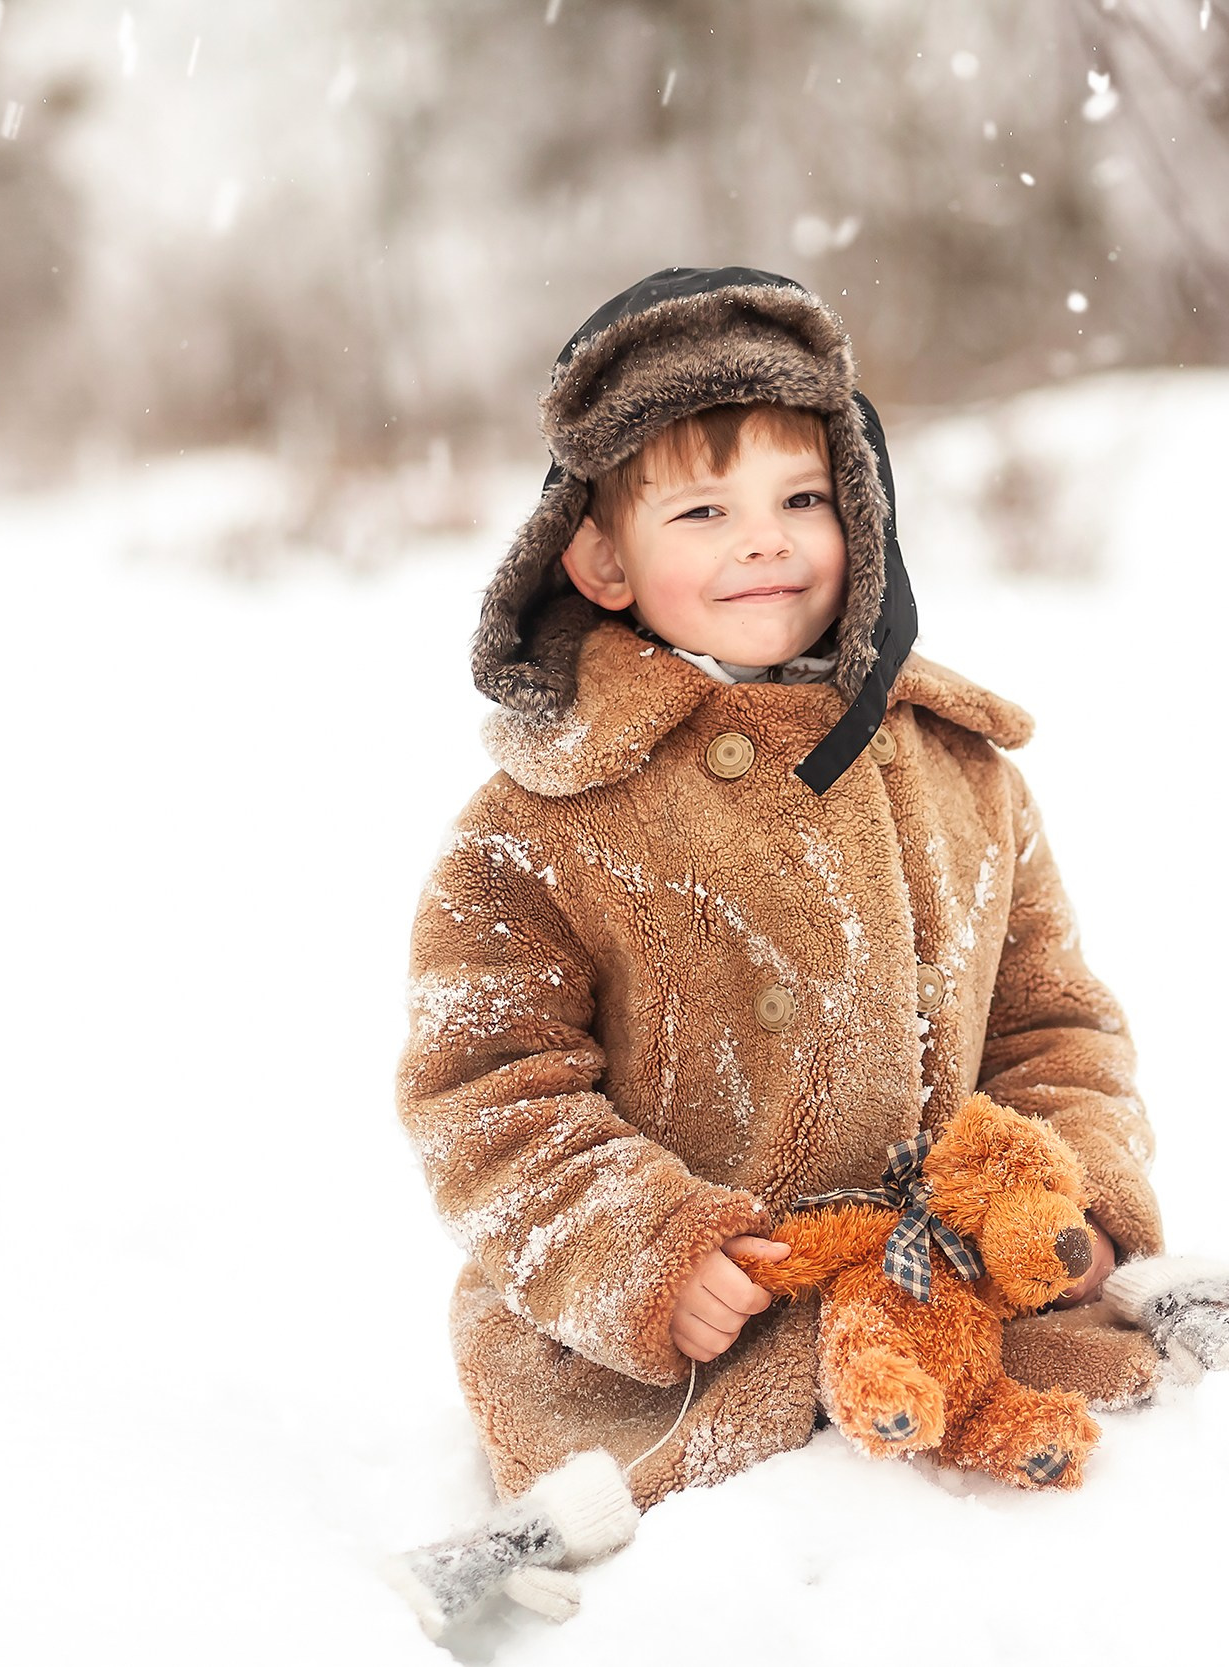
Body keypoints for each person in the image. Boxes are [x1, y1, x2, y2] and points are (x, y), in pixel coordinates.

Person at [399, 267, 1167, 1508]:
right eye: (701, 511)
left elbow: (1051, 1024)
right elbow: (485, 1094)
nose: (764, 538)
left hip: (958, 1303)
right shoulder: (539, 827)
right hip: (688, 1366)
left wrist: (1070, 1200)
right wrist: (645, 1251)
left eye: (800, 497)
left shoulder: (961, 773)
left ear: (857, 510)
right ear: (597, 557)